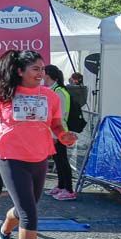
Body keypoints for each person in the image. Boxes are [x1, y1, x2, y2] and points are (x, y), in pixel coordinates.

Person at [0, 50, 77, 239]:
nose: (41, 73)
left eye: (42, 69)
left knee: (27, 207)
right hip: (11, 159)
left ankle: (4, 229)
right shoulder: (5, 96)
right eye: (35, 69)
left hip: (40, 158)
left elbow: (56, 123)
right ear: (20, 71)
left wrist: (64, 135)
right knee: (29, 215)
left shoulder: (49, 97)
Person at [43, 65, 76, 201]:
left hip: (60, 132)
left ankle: (68, 189)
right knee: (58, 160)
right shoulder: (54, 90)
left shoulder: (59, 92)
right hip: (56, 131)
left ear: (48, 75)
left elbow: (60, 116)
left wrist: (55, 135)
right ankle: (61, 185)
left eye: (42, 73)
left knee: (62, 160)